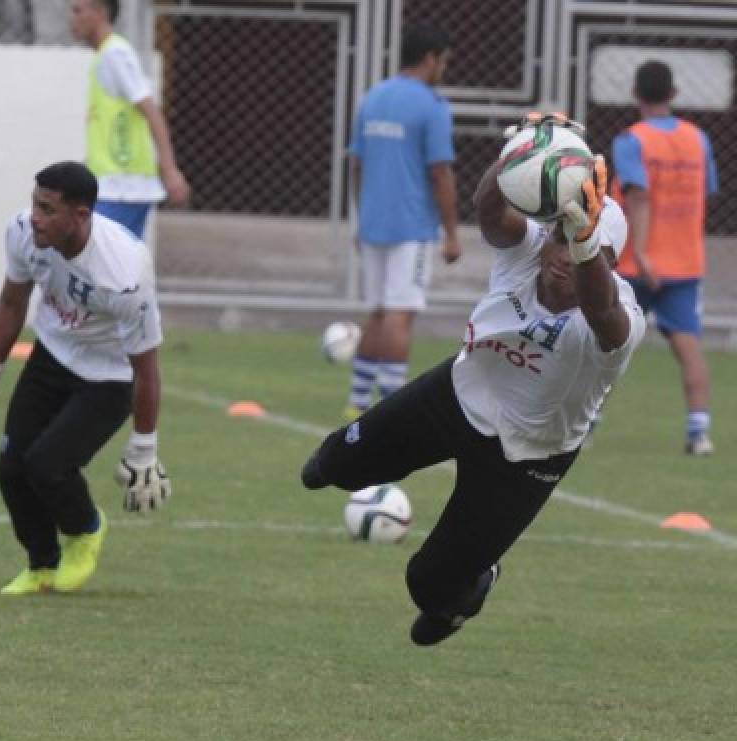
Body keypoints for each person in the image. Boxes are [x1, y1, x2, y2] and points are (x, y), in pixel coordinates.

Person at [302, 114, 645, 646]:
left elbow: (601, 312)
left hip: (528, 455)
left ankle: (472, 588)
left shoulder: (621, 314)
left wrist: (585, 239)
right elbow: (489, 212)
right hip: (459, 395)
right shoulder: (528, 252)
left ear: (608, 261)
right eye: (559, 237)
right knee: (332, 465)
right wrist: (514, 156)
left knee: (430, 586)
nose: (561, 256)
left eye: (582, 248)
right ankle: (342, 464)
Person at [0, 161, 171, 595]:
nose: (36, 216)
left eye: (48, 209)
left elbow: (146, 366)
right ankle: (41, 566)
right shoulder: (23, 232)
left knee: (48, 465)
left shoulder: (124, 272)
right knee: (11, 466)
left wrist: (144, 449)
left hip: (110, 375)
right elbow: (13, 301)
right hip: (52, 354)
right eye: (35, 203)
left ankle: (86, 528)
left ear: (81, 215)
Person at [342, 23, 461, 421]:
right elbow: (440, 172)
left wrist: (361, 216)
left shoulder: (372, 98)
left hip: (374, 222)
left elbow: (356, 164)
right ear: (430, 59)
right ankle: (393, 406)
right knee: (400, 313)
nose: (443, 68)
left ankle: (357, 400)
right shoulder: (432, 105)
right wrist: (452, 232)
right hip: (411, 226)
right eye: (443, 61)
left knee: (378, 310)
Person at [610, 60, 720, 456]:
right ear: (673, 95)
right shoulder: (698, 139)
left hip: (636, 263)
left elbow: (637, 194)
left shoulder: (631, 140)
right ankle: (699, 431)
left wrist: (641, 251)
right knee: (688, 345)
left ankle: (582, 424)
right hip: (684, 261)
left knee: (606, 342)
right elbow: (704, 191)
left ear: (636, 95)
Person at [69, 0, 190, 238]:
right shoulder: (104, 56)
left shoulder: (115, 54)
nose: (71, 18)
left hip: (122, 188)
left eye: (78, 10)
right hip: (113, 187)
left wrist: (169, 170)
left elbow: (152, 112)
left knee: (106, 268)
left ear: (100, 13)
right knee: (112, 270)